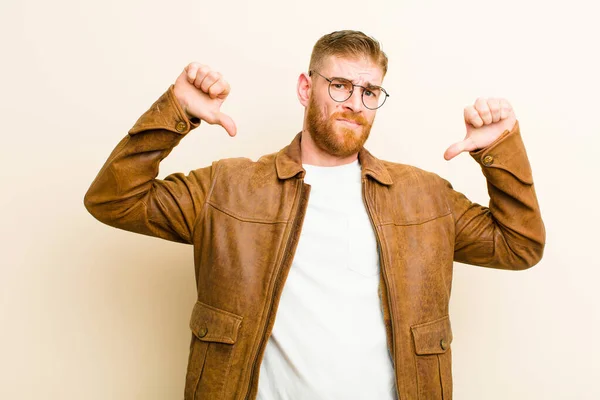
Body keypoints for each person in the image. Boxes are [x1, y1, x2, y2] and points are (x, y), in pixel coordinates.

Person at [84, 30, 545, 400]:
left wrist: (498, 150)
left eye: (369, 91)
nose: (354, 103)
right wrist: (177, 111)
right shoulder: (227, 188)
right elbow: (113, 199)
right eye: (340, 85)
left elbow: (519, 245)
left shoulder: (424, 197)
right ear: (307, 88)